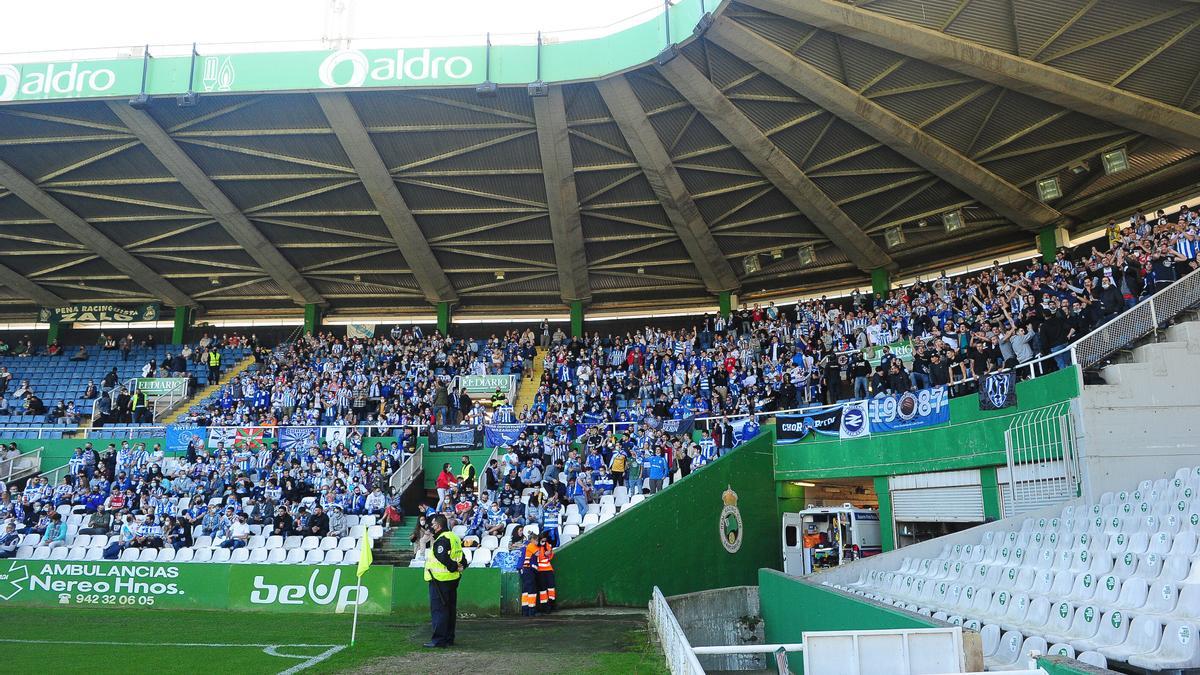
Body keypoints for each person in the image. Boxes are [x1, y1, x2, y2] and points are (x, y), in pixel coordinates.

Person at [423, 514, 464, 648]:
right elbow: (462, 557)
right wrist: (460, 566)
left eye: (433, 525)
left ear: (438, 526)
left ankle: (439, 640)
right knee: (450, 610)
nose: (431, 527)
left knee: (439, 611)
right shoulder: (454, 537)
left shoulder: (442, 539)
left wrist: (453, 567)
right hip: (453, 579)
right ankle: (449, 638)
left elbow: (442, 557)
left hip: (440, 580)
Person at [518, 528, 539, 617]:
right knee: (531, 590)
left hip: (523, 569)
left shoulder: (524, 545)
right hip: (529, 570)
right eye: (537, 540)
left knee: (525, 591)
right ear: (533, 540)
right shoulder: (531, 545)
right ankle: (531, 611)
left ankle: (525, 610)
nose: (537, 542)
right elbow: (538, 554)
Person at [534, 531, 556, 613]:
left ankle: (552, 604)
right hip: (540, 571)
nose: (543, 542)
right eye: (542, 540)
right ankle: (545, 607)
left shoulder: (547, 545)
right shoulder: (536, 546)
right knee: (542, 589)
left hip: (548, 569)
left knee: (551, 588)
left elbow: (550, 556)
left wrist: (548, 554)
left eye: (545, 540)